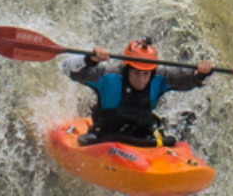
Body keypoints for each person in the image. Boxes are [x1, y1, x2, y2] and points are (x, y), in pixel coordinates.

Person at [67, 37, 213, 147]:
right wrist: (89, 59)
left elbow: (190, 79)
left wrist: (201, 74)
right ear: (127, 69)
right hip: (105, 137)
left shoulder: (159, 77)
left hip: (143, 139)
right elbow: (69, 70)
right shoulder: (107, 76)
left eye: (145, 74)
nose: (141, 80)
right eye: (136, 73)